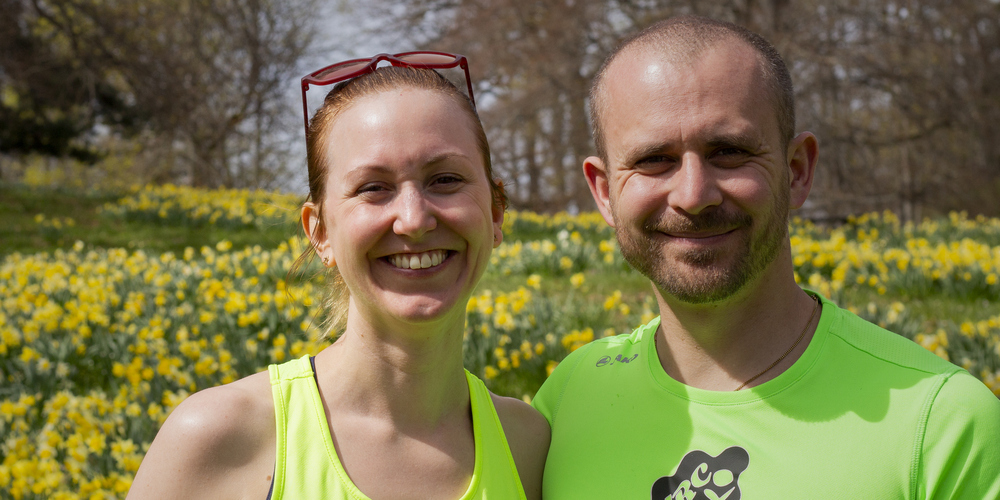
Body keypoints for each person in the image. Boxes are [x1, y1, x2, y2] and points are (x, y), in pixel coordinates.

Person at [532, 16, 1000, 499]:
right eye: (654, 160)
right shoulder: (567, 400)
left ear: (797, 171)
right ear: (604, 192)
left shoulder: (941, 422)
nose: (694, 195)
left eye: (728, 152)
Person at [128, 54, 549, 500]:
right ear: (320, 232)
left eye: (445, 179)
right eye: (373, 188)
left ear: (495, 212)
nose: (413, 220)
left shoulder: (528, 446)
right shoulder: (222, 439)